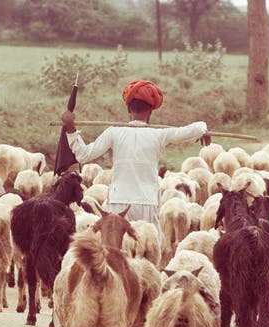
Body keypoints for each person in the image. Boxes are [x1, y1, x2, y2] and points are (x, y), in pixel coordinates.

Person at [60, 79, 210, 226]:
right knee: (147, 247)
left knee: (116, 249)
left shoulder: (114, 132)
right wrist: (203, 130)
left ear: (128, 109)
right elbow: (192, 129)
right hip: (147, 203)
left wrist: (71, 127)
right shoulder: (159, 134)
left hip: (118, 202)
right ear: (151, 110)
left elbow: (83, 155)